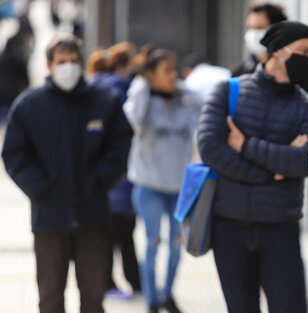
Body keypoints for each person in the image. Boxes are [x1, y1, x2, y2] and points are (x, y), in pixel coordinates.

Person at [197, 21, 308, 313]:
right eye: (304, 50)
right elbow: (210, 148)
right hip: (227, 226)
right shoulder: (226, 92)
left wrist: (244, 146)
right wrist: (272, 172)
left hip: (280, 228)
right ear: (278, 52)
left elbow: (306, 161)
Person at [1, 34, 133, 313]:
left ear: (82, 63)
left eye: (74, 61)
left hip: (93, 216)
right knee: (50, 298)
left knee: (94, 296)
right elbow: (13, 154)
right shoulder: (29, 106)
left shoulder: (104, 101)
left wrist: (99, 181)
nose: (68, 67)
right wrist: (41, 189)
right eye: (62, 62)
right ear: (49, 65)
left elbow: (121, 145)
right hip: (49, 218)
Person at [124, 49, 202, 313]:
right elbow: (133, 118)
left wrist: (179, 89)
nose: (173, 75)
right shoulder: (142, 100)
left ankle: (167, 293)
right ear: (149, 75)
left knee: (177, 248)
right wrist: (142, 84)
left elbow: (204, 108)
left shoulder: (185, 100)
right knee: (152, 243)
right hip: (149, 188)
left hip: (180, 189)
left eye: (174, 70)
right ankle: (151, 300)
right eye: (166, 71)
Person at [88, 42, 142, 299]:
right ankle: (123, 282)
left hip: (99, 175)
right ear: (121, 65)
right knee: (122, 232)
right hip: (122, 173)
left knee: (110, 233)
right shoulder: (123, 92)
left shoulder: (89, 89)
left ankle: (119, 282)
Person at [231, 2, 286, 78]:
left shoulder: (290, 68)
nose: (253, 33)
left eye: (260, 28)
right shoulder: (240, 71)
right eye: (250, 28)